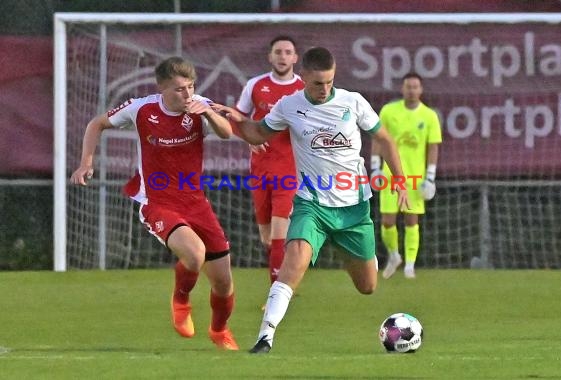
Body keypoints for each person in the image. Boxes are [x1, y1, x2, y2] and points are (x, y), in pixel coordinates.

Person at [214, 47, 410, 354]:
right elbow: (257, 134)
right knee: (292, 266)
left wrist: (399, 180)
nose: (324, 89)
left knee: (368, 286)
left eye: (329, 82)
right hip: (311, 205)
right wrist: (234, 118)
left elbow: (384, 138)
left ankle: (345, 252)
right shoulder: (288, 105)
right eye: (318, 83)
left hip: (353, 210)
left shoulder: (353, 101)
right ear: (303, 76)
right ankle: (265, 337)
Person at [70, 56, 239, 350]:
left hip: (196, 201)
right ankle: (181, 300)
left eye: (190, 87)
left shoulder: (200, 106)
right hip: (158, 202)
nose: (187, 94)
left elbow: (227, 133)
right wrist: (86, 162)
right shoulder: (142, 109)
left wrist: (209, 113)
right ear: (161, 88)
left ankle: (219, 331)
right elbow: (97, 124)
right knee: (195, 254)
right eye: (179, 89)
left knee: (224, 283)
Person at [235, 36, 304, 288]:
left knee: (279, 232)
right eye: (278, 52)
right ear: (270, 56)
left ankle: (277, 291)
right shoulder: (255, 85)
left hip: (290, 170)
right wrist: (248, 137)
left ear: (295, 58)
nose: (283, 56)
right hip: (260, 170)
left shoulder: (305, 88)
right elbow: (236, 119)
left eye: (288, 52)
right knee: (267, 236)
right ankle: (286, 276)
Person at [370, 72, 442, 279]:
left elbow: (433, 147)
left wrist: (430, 176)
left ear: (421, 89)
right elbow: (378, 139)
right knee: (387, 221)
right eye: (408, 86)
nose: (411, 90)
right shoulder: (388, 111)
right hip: (391, 176)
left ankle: (410, 265)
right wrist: (375, 167)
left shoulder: (429, 116)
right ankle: (394, 255)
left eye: (415, 86)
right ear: (402, 89)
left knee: (412, 220)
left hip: (415, 178)